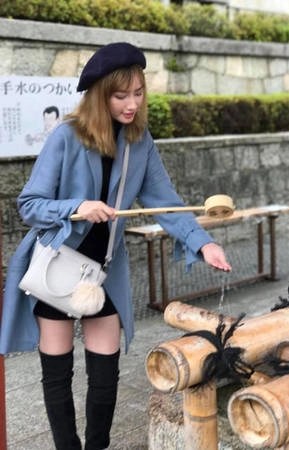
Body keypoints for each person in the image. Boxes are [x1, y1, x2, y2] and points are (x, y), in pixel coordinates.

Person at [0, 42, 231, 450]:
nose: (131, 104)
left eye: (138, 93)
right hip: (56, 266)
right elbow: (30, 205)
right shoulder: (66, 137)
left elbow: (166, 201)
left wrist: (203, 244)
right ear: (100, 94)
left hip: (103, 270)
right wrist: (78, 207)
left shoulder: (140, 142)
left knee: (105, 375)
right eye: (121, 95)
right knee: (57, 373)